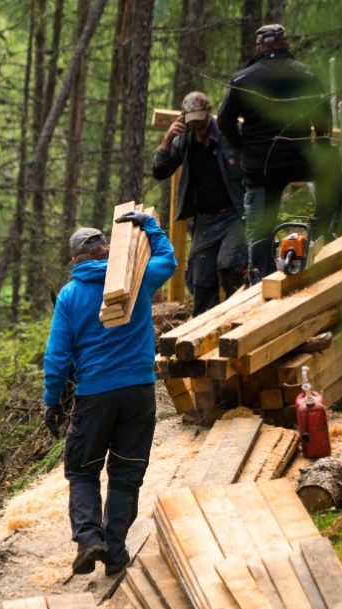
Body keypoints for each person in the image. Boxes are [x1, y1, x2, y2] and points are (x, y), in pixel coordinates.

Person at [42, 213, 177, 576]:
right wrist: (151, 225)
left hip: (95, 397)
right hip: (139, 395)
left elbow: (57, 356)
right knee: (126, 474)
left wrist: (52, 401)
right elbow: (169, 260)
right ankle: (115, 551)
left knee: (83, 472)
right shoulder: (136, 279)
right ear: (109, 250)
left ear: (75, 260)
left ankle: (89, 540)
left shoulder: (70, 295)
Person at [217, 23, 342, 282]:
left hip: (260, 166)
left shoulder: (242, 79)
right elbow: (322, 115)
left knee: (260, 234)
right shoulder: (305, 75)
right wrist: (320, 144)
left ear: (259, 47)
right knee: (332, 175)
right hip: (300, 158)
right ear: (285, 44)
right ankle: (319, 233)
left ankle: (260, 282)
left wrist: (243, 145)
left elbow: (223, 122)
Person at [153, 91, 247, 315]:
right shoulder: (184, 140)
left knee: (229, 266)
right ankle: (207, 329)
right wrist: (167, 140)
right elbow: (160, 171)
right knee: (201, 281)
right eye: (192, 120)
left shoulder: (229, 133)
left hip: (234, 214)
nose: (197, 125)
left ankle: (240, 316)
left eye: (200, 119)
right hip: (205, 220)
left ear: (209, 112)